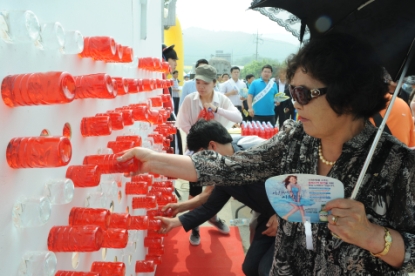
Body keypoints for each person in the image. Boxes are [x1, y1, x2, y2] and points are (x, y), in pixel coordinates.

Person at [119, 33, 415, 275]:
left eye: (302, 93)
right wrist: (152, 160)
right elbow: (232, 167)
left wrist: (375, 237)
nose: (293, 103)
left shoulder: (397, 164)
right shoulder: (297, 140)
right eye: (290, 91)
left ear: (346, 95)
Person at [157, 119, 276, 276]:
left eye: (202, 159)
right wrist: (174, 221)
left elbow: (300, 182)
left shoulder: (258, 150)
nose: (202, 166)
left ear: (212, 146)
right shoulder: (222, 173)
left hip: (296, 219)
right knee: (250, 268)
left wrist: (285, 214)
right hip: (268, 219)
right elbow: (210, 205)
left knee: (267, 270)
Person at [175, 64, 242, 245]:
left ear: (214, 83)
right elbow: (182, 123)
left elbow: (238, 118)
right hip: (196, 152)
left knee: (215, 190)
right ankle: (195, 226)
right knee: (195, 190)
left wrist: (216, 109)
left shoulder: (221, 100)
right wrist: (200, 140)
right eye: (197, 82)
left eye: (205, 83)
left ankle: (213, 217)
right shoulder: (190, 99)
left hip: (217, 153)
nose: (201, 86)